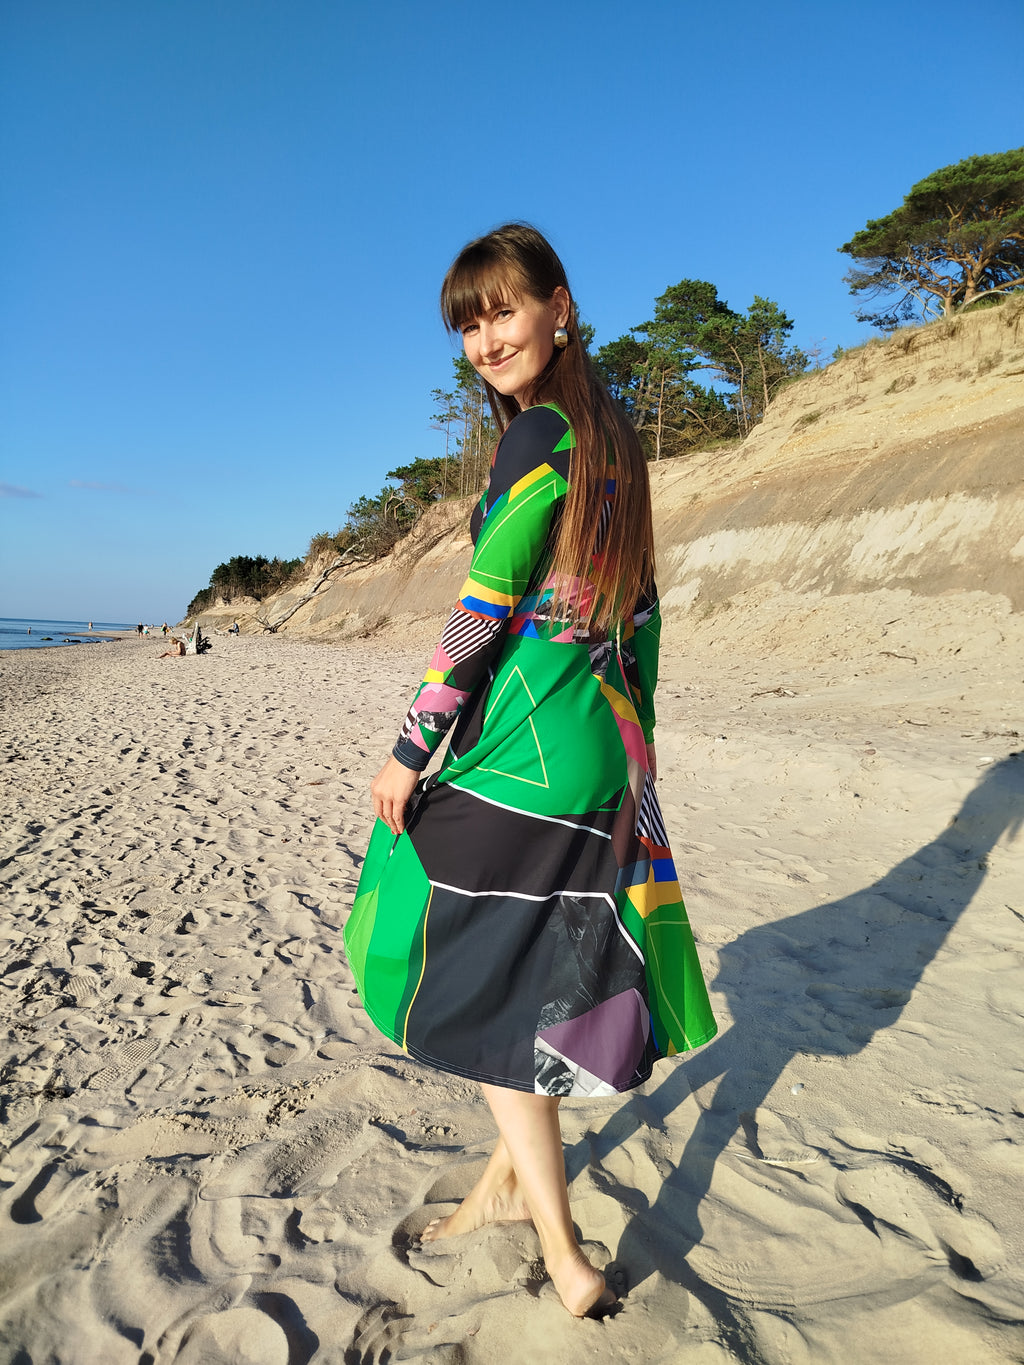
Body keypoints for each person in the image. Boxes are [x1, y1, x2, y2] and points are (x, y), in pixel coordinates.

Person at [344, 224, 716, 1318]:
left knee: (410, 905)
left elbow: (482, 608)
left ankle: (558, 1246)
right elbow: (639, 615)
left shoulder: (538, 436)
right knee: (526, 966)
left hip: (534, 748)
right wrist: (634, 751)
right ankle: (512, 1179)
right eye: (467, 324)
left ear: (559, 306)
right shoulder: (612, 437)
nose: (484, 340)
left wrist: (411, 749)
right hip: (600, 740)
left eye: (501, 311)